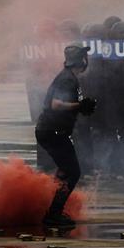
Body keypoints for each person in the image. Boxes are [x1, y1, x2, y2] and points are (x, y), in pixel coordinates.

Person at [35, 43, 97, 227]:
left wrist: (80, 107)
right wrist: (78, 106)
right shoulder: (67, 79)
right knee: (73, 172)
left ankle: (46, 207)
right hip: (52, 132)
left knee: (65, 172)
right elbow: (55, 104)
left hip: (51, 131)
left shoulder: (69, 77)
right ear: (81, 60)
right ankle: (53, 215)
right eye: (84, 57)